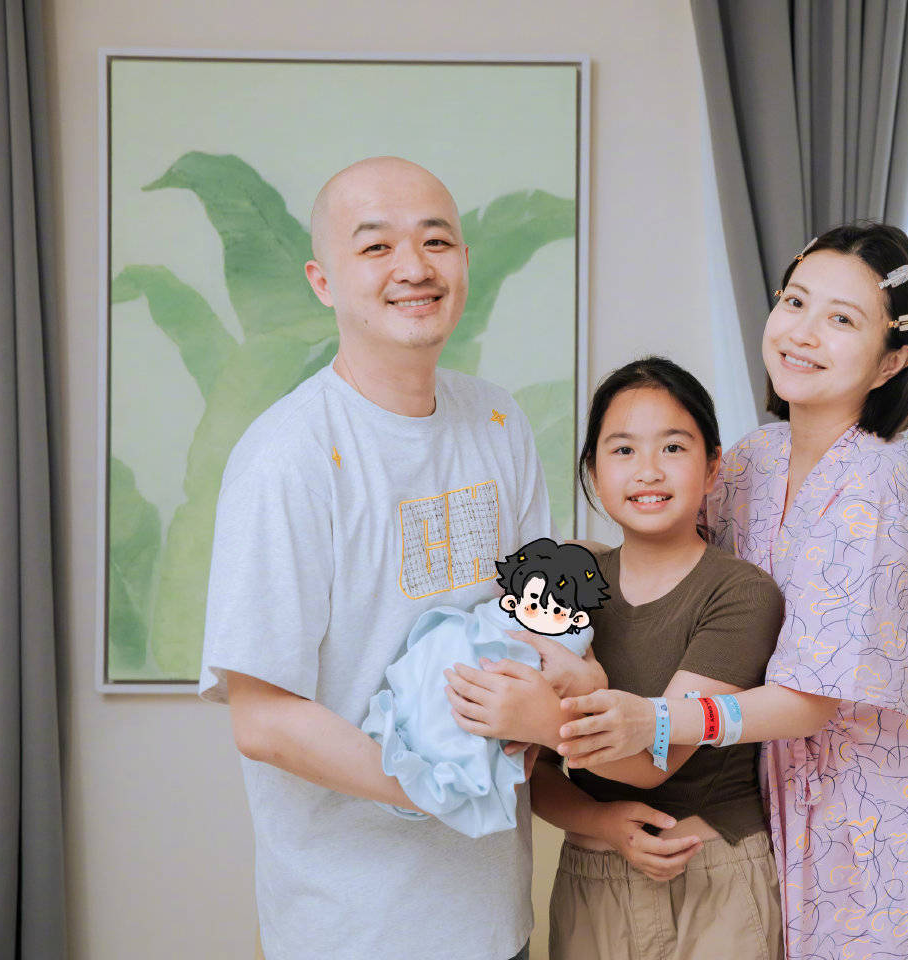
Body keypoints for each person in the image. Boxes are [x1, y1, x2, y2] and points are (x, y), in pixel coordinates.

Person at [553, 225, 908, 959]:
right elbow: (670, 560)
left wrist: (659, 721)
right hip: (803, 815)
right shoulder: (753, 460)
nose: (803, 333)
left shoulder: (884, 483)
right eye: (795, 302)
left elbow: (812, 699)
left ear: (892, 360)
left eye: (842, 319)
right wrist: (577, 565)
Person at [198, 156, 599, 960]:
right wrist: (438, 781)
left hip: (494, 918)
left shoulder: (499, 420)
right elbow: (262, 718)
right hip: (351, 927)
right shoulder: (287, 457)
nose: (414, 267)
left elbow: (545, 622)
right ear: (322, 281)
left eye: (436, 241)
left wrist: (559, 695)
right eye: (376, 247)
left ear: (463, 262)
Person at [445, 358, 787, 960]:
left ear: (712, 467)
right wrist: (602, 824)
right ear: (593, 472)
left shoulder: (741, 593)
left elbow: (660, 758)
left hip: (714, 880)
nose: (648, 470)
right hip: (591, 879)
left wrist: (541, 715)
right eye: (623, 450)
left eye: (673, 447)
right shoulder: (566, 589)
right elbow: (533, 772)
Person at [362, 539, 608, 837]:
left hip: (501, 691)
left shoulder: (570, 637)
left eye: (555, 610)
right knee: (445, 666)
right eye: (533, 604)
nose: (539, 611)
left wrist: (589, 680)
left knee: (464, 720)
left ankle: (439, 764)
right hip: (458, 656)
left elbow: (567, 659)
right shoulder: (506, 604)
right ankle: (426, 751)